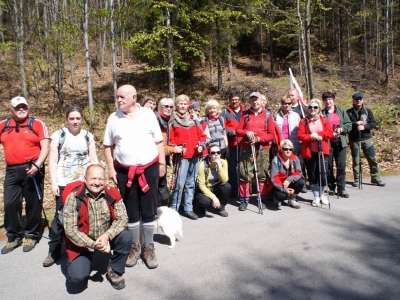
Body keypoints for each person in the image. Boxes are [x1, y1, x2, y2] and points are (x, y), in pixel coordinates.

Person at [104, 84, 165, 270]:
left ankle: (149, 246)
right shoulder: (114, 118)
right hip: (124, 172)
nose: (119, 100)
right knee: (131, 211)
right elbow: (108, 146)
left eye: (122, 96)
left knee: (148, 210)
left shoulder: (148, 115)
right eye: (117, 97)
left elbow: (158, 142)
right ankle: (134, 246)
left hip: (149, 170)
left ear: (134, 97)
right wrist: (111, 169)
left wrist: (162, 164)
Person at [43, 106, 98, 267]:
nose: (75, 121)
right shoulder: (58, 136)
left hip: (83, 183)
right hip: (63, 183)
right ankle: (54, 249)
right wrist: (53, 184)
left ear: (82, 119)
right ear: (66, 119)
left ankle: (83, 247)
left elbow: (93, 158)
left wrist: (96, 179)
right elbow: (53, 160)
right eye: (71, 118)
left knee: (84, 215)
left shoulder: (88, 136)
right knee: (60, 218)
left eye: (78, 118)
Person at [63, 164, 131, 290]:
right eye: (93, 178)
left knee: (126, 236)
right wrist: (93, 245)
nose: (97, 182)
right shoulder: (74, 198)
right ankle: (79, 261)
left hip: (105, 237)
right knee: (77, 277)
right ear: (85, 179)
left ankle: (115, 269)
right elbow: (70, 230)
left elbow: (123, 219)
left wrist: (106, 236)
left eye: (101, 179)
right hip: (82, 244)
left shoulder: (113, 194)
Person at [0, 96, 50, 254]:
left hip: (33, 168)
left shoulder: (36, 123)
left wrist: (38, 164)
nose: (21, 109)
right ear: (11, 109)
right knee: (10, 203)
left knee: (33, 203)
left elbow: (45, 146)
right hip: (11, 170)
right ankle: (13, 236)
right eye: (17, 107)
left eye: (24, 106)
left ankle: (31, 234)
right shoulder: (3, 125)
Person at [168, 94, 206, 220]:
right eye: (180, 104)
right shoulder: (172, 120)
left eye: (185, 104)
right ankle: (174, 209)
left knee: (191, 183)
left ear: (188, 106)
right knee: (179, 184)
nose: (183, 106)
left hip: (194, 156)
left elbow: (202, 136)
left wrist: (201, 146)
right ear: (176, 105)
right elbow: (170, 140)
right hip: (182, 158)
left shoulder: (193, 120)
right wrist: (177, 148)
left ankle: (188, 208)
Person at [236, 92, 275, 211]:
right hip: (246, 148)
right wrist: (246, 133)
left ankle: (261, 198)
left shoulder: (268, 115)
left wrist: (259, 139)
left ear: (261, 100)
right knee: (244, 172)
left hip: (262, 149)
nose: (255, 102)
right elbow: (238, 130)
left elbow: (271, 135)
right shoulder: (245, 114)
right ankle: (244, 199)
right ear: (249, 102)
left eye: (257, 100)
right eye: (252, 100)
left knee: (262, 173)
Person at [298, 99, 333, 207]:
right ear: (307, 108)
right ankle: (316, 196)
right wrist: (310, 136)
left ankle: (322, 195)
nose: (313, 109)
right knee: (312, 174)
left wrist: (319, 134)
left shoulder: (325, 120)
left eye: (315, 107)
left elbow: (330, 133)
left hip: (322, 150)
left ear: (319, 109)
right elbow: (300, 135)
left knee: (322, 174)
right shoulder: (303, 121)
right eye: (310, 107)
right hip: (309, 152)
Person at [346, 92, 385, 187]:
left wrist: (365, 127)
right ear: (353, 101)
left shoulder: (368, 111)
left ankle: (375, 178)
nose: (358, 101)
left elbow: (373, 123)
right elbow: (346, 125)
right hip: (354, 140)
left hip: (366, 139)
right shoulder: (349, 112)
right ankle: (357, 179)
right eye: (356, 99)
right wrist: (355, 124)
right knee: (356, 160)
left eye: (360, 99)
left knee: (372, 158)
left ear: (362, 100)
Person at [321, 92, 352, 197]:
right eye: (325, 100)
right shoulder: (322, 113)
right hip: (328, 143)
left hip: (340, 142)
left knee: (341, 165)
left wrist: (342, 129)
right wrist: (330, 133)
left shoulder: (341, 111)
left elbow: (349, 124)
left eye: (330, 99)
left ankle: (341, 188)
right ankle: (331, 186)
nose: (328, 101)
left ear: (333, 100)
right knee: (329, 166)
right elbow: (320, 128)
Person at [155, 98, 183, 206]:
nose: (169, 109)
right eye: (166, 106)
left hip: (165, 156)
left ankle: (161, 207)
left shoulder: (169, 120)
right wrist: (173, 149)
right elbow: (158, 144)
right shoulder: (156, 120)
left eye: (171, 107)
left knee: (162, 183)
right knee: (158, 184)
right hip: (156, 157)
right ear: (160, 107)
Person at [221, 92, 245, 198]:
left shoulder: (246, 112)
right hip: (231, 144)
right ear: (229, 100)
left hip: (244, 144)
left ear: (240, 100)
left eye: (236, 99)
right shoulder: (225, 113)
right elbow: (222, 128)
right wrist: (232, 132)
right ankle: (234, 189)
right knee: (232, 168)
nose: (234, 101)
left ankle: (244, 190)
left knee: (244, 167)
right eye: (232, 99)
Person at [196, 145, 231, 217]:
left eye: (218, 152)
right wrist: (214, 197)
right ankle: (201, 206)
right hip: (205, 189)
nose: (216, 154)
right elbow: (201, 185)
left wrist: (219, 167)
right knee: (205, 202)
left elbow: (224, 180)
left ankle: (220, 208)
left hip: (215, 187)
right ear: (209, 154)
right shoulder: (202, 165)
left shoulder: (223, 162)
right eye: (213, 153)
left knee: (227, 186)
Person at [268, 139, 304, 209]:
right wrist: (284, 190)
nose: (288, 151)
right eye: (285, 149)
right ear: (281, 149)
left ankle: (292, 199)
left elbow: (299, 172)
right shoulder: (275, 160)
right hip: (278, 185)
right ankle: (276, 198)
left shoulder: (295, 159)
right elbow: (274, 178)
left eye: (290, 149)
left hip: (288, 183)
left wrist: (289, 180)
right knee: (282, 196)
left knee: (301, 182)